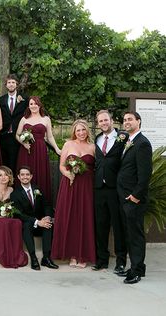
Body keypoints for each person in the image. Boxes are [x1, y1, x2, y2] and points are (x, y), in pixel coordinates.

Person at [52, 119, 96, 268]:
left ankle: (82, 255)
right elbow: (62, 166)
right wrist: (68, 174)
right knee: (69, 216)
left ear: (87, 131)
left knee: (84, 216)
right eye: (78, 130)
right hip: (70, 184)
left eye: (83, 130)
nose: (81, 133)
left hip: (86, 186)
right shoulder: (68, 144)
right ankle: (71, 254)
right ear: (74, 132)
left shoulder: (92, 147)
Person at [116, 111, 152, 284]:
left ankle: (136, 271)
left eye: (130, 119)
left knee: (135, 235)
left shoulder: (142, 143)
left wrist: (136, 196)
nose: (126, 122)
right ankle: (137, 267)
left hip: (133, 199)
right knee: (130, 234)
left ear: (139, 121)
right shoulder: (129, 141)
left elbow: (145, 175)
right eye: (124, 120)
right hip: (124, 197)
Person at [92, 110, 127, 273]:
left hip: (115, 188)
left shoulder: (123, 137)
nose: (103, 123)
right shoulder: (97, 139)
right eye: (100, 121)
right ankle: (102, 260)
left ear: (111, 121)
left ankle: (121, 261)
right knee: (101, 225)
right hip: (99, 188)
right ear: (98, 124)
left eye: (106, 120)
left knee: (118, 226)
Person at [15, 96, 61, 206]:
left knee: (40, 173)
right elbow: (17, 134)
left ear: (39, 105)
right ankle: (24, 203)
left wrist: (57, 149)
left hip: (40, 150)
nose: (33, 106)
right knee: (25, 173)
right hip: (26, 150)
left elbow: (49, 137)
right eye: (31, 104)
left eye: (35, 104)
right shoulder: (24, 119)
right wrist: (23, 143)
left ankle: (40, 204)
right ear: (28, 106)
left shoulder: (46, 119)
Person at [11, 166, 58, 270]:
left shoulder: (37, 189)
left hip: (41, 221)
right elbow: (19, 214)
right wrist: (37, 221)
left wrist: (47, 216)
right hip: (28, 223)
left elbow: (47, 205)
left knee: (48, 225)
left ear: (31, 176)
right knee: (26, 226)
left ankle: (46, 258)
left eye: (27, 174)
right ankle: (33, 257)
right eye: (22, 175)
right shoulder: (15, 194)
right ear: (18, 177)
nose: (25, 177)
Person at [0, 74, 28, 172]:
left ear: (16, 84)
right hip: (3, 136)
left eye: (13, 82)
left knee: (16, 163)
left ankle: (15, 185)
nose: (11, 84)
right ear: (6, 85)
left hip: (17, 137)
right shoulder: (0, 100)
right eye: (9, 82)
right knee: (4, 164)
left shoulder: (25, 99)